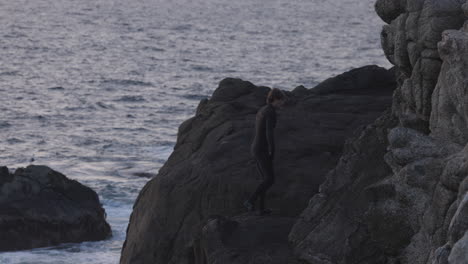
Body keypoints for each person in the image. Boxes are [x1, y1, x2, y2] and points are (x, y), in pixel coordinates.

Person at [244, 88, 285, 215]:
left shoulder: (263, 109)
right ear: (276, 99)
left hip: (255, 147)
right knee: (269, 179)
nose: (282, 103)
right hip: (261, 149)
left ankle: (261, 209)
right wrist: (272, 150)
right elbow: (269, 133)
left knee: (265, 179)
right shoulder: (271, 112)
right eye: (281, 100)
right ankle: (250, 201)